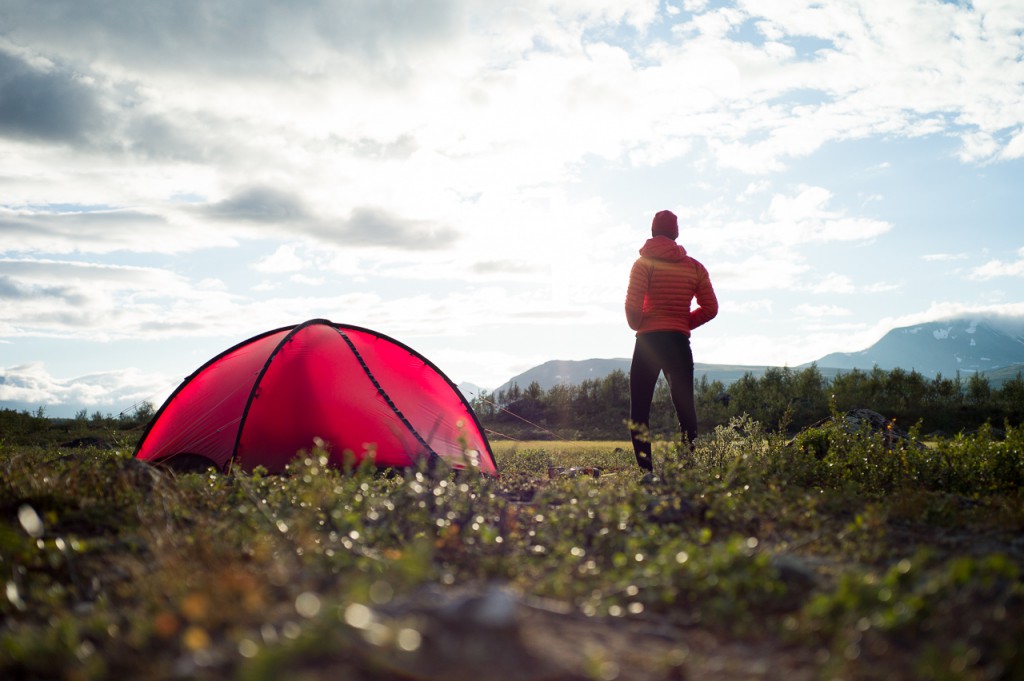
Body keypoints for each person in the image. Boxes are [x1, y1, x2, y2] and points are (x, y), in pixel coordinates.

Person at [624, 209, 718, 472]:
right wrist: (682, 323)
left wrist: (641, 324)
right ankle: (688, 469)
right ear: (676, 233)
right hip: (678, 343)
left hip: (648, 343)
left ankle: (646, 473)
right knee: (685, 409)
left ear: (653, 231)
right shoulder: (695, 267)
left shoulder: (642, 265)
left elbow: (632, 309)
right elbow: (710, 308)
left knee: (640, 410)